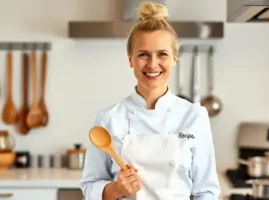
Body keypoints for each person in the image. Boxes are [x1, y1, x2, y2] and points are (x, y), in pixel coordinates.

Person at [79, 1, 221, 200]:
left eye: (162, 54)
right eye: (143, 55)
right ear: (131, 59)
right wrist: (116, 189)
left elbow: (206, 192)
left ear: (174, 58)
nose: (152, 64)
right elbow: (89, 186)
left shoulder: (195, 116)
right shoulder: (108, 118)